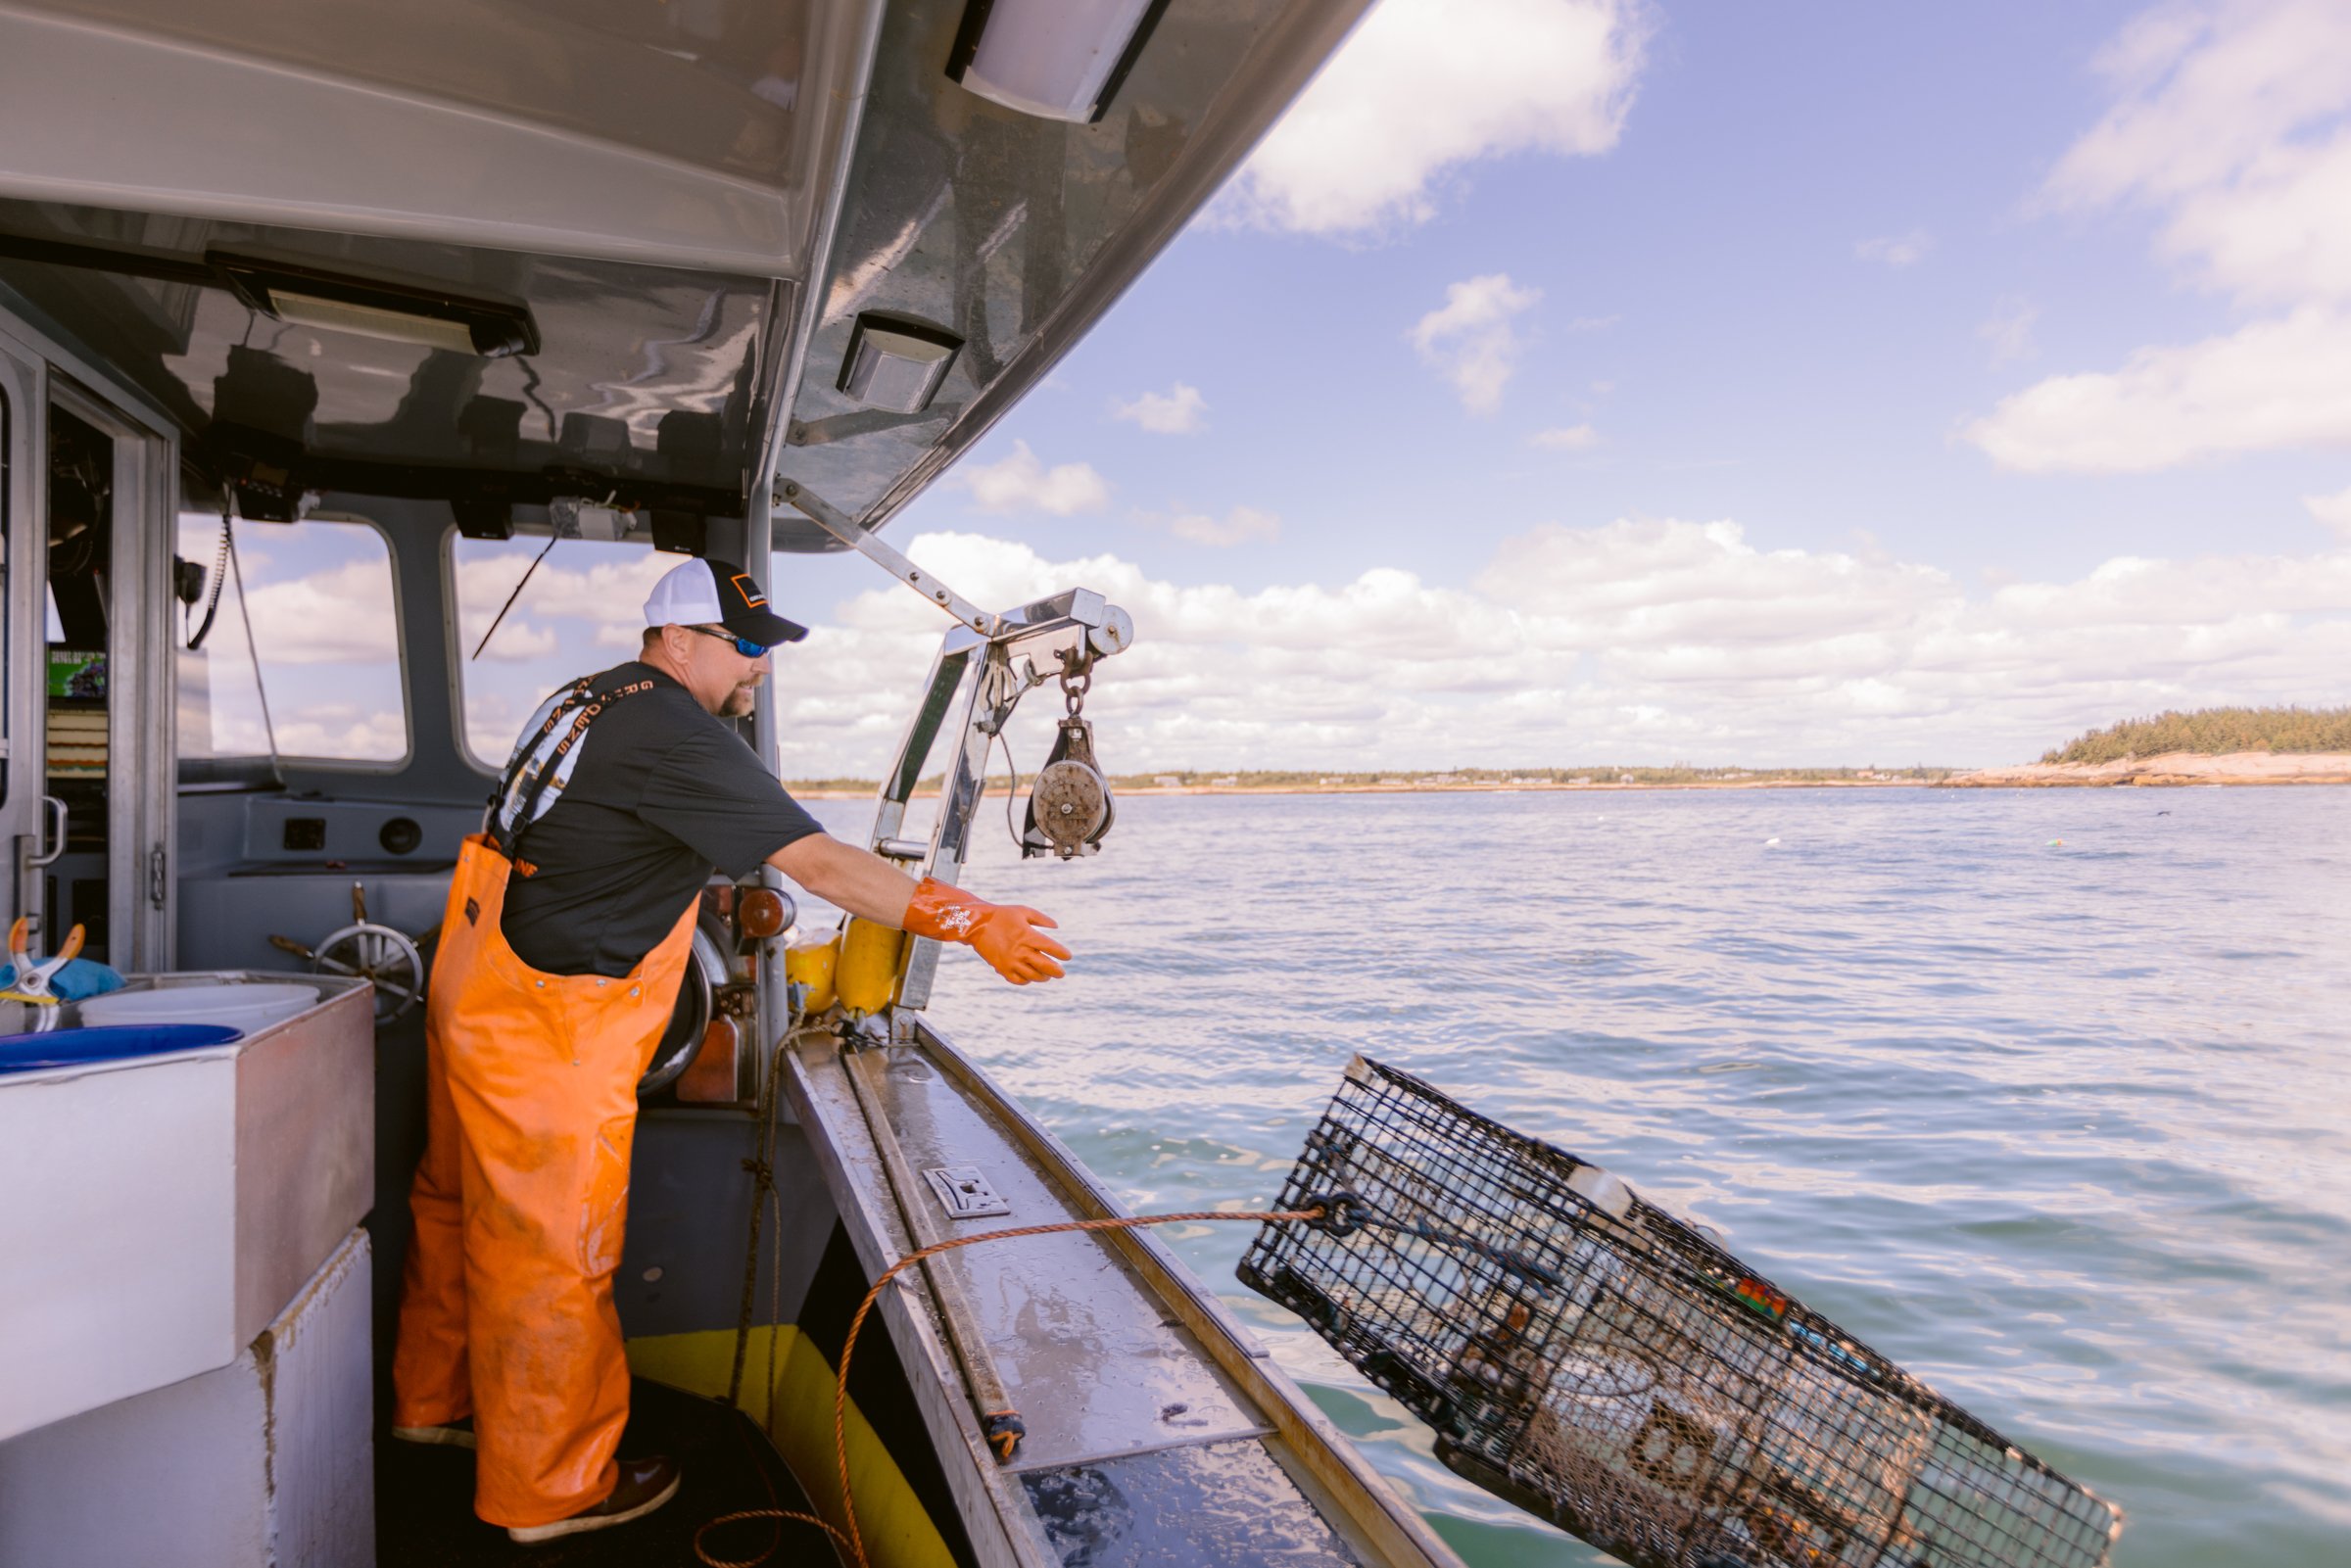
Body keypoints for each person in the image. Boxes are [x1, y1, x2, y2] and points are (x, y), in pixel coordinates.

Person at [387, 556, 1069, 1544]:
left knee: (453, 1205)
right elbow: (824, 863)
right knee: (551, 1256)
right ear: (676, 641)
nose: (759, 667)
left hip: (475, 980)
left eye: (766, 647)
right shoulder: (676, 732)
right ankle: (550, 1487)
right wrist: (973, 919)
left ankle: (432, 1402)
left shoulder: (586, 699)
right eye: (745, 645)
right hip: (547, 1022)